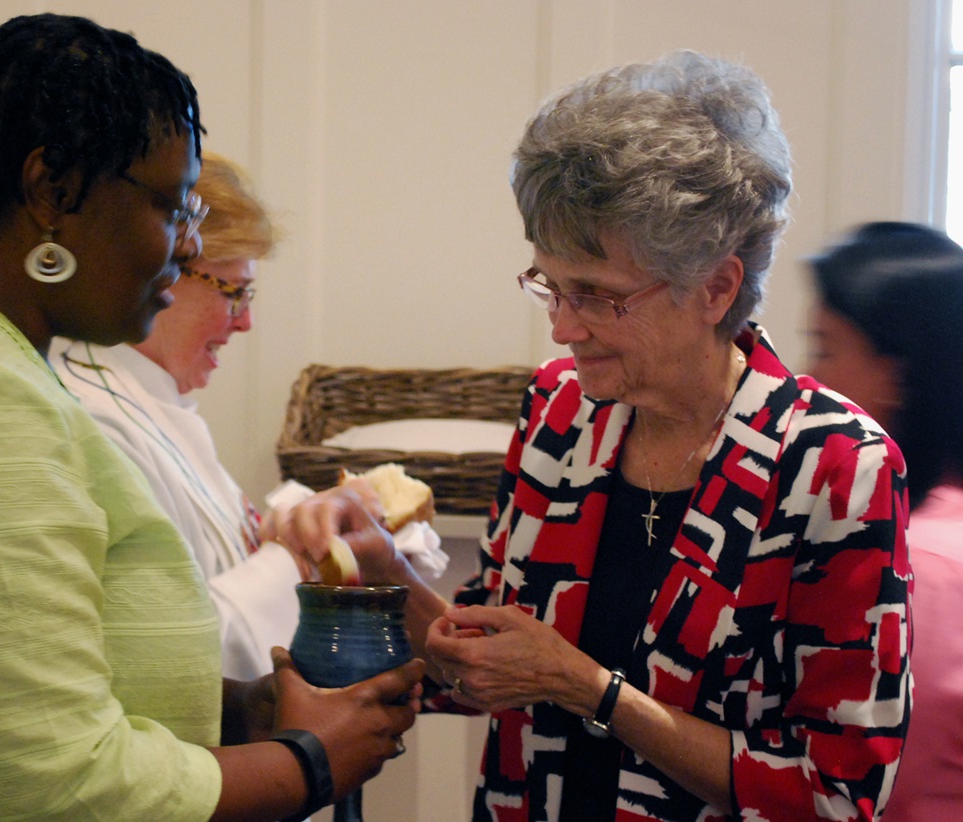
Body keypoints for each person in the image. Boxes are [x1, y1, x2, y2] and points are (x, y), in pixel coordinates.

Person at [0, 14, 422, 821]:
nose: (185, 249)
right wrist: (308, 767)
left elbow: (28, 674)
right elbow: (49, 784)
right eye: (174, 208)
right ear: (52, 192)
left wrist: (243, 710)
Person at [274, 50, 912, 820]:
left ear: (716, 287)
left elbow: (838, 797)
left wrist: (588, 687)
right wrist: (376, 560)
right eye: (548, 281)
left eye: (598, 297)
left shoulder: (834, 465)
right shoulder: (560, 410)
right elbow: (477, 669)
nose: (561, 324)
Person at [49, 153, 298, 681]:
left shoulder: (154, 401)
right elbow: (170, 646)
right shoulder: (92, 417)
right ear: (163, 267)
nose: (246, 322)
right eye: (236, 293)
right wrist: (294, 561)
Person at [806, 221, 963, 822]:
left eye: (825, 349)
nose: (808, 380)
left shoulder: (916, 568)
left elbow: (861, 793)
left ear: (895, 376)